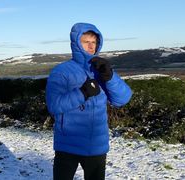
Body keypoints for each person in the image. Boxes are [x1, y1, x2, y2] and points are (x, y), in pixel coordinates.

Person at [45, 22, 132, 180]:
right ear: (76, 43)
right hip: (68, 143)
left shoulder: (101, 69)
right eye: (86, 42)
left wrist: (110, 78)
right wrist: (82, 93)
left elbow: (123, 99)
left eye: (94, 42)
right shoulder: (61, 71)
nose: (91, 46)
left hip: (96, 144)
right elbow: (54, 105)